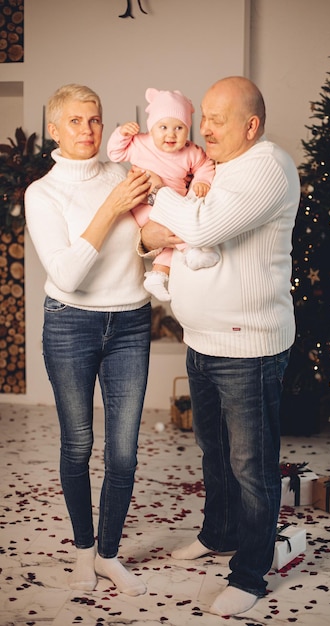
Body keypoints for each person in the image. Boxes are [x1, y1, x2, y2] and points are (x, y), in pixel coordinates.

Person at [139, 76, 300, 616]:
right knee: (215, 454)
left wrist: (160, 187)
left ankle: (251, 575)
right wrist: (169, 215)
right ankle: (219, 533)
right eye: (202, 116)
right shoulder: (217, 169)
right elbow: (167, 233)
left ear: (251, 126)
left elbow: (202, 228)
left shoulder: (267, 167)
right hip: (203, 341)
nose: (202, 128)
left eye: (217, 118)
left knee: (252, 466)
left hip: (248, 348)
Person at [25, 84, 153, 596]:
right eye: (75, 122)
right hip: (70, 323)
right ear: (53, 129)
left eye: (95, 120)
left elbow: (144, 244)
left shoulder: (126, 173)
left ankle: (108, 555)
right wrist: (111, 207)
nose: (88, 131)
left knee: (124, 453)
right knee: (78, 443)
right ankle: (83, 549)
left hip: (131, 323)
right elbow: (69, 274)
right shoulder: (43, 193)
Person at [107, 87, 218, 301]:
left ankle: (157, 275)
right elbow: (115, 152)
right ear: (152, 128)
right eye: (163, 127)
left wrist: (202, 182)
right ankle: (192, 252)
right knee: (175, 228)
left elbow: (205, 165)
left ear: (187, 130)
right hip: (144, 205)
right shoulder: (141, 143)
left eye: (179, 127)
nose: (171, 134)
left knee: (169, 239)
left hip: (174, 204)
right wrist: (121, 134)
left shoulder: (191, 151)